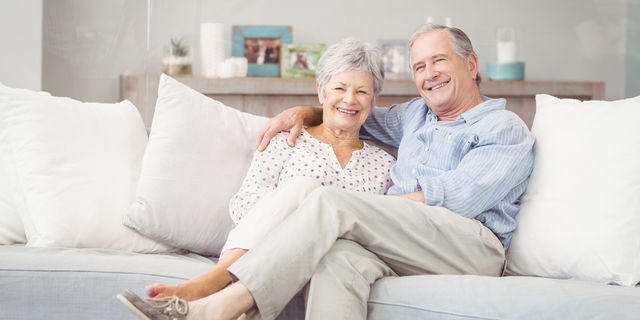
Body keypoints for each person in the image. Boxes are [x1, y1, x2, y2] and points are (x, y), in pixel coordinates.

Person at [118, 23, 535, 320]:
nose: (428, 75)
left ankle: (220, 299)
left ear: (472, 64)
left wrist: (368, 210)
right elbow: (357, 112)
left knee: (331, 203)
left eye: (438, 61)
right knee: (338, 259)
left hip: (471, 248)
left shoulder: (503, 128)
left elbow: (459, 198)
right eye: (419, 67)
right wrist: (304, 110)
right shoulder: (416, 116)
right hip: (408, 242)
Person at [124, 37, 395, 304]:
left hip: (336, 263)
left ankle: (212, 287)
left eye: (362, 92)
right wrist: (297, 215)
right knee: (305, 189)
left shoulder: (384, 165)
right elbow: (243, 207)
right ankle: (218, 280)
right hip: (271, 251)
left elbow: (383, 233)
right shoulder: (286, 141)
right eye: (339, 88)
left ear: (373, 101)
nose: (350, 99)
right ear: (321, 91)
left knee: (317, 198)